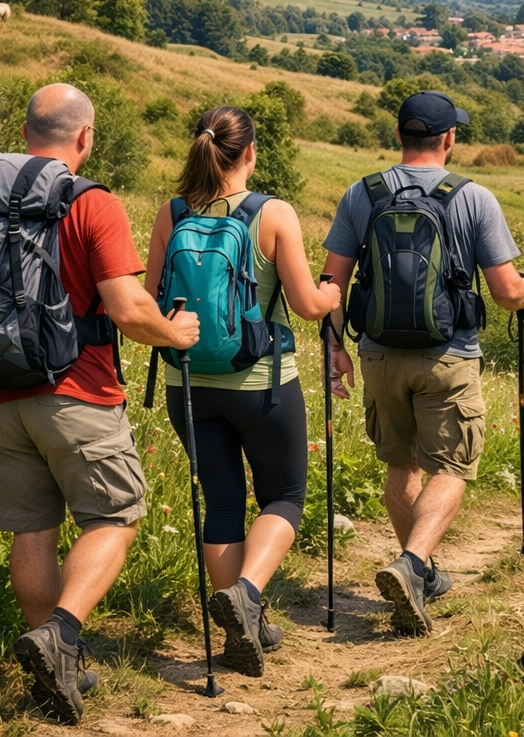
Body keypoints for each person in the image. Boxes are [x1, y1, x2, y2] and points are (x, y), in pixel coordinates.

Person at [0, 83, 200, 724]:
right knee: (114, 518)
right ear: (85, 137)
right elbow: (129, 311)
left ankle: (56, 669)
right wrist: (176, 332)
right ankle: (62, 635)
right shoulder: (90, 202)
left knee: (31, 530)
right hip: (77, 392)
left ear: (26, 133)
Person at [321, 90, 524, 636]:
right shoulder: (473, 197)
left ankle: (418, 568)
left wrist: (333, 347)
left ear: (399, 137)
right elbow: (508, 292)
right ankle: (414, 565)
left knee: (402, 466)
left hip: (377, 355)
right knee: (452, 467)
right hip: (448, 355)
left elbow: (332, 281)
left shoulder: (362, 192)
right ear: (449, 139)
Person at [143, 105, 340, 678]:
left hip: (187, 383)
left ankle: (243, 623)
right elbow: (306, 305)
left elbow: (154, 299)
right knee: (285, 496)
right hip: (262, 383)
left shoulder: (171, 212)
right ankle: (247, 595)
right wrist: (331, 294)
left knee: (223, 503)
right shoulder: (272, 214)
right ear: (249, 152)